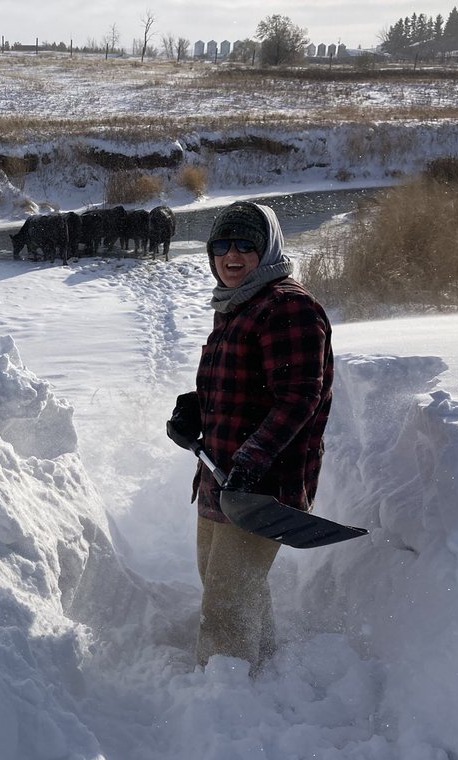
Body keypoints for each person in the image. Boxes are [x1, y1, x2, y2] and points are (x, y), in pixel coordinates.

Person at [167, 200, 334, 673]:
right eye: (221, 245)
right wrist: (193, 408)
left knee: (225, 601)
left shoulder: (288, 307)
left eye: (246, 244)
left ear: (268, 249)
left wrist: (253, 459)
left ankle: (225, 695)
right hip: (222, 476)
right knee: (227, 585)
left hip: (262, 486)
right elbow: (243, 384)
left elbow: (299, 396)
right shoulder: (238, 304)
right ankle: (262, 669)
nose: (232, 255)